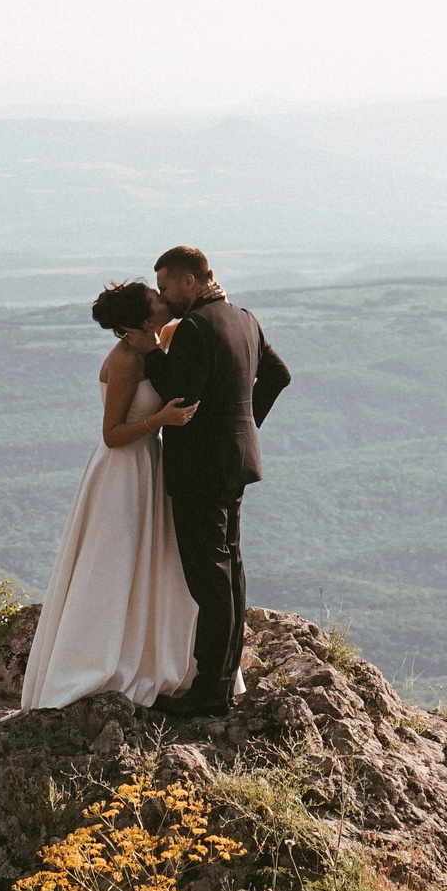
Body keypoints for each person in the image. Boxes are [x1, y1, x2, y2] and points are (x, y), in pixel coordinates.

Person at [18, 280, 212, 710]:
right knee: (113, 567)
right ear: (145, 318)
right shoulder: (125, 360)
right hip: (123, 470)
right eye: (159, 300)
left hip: (150, 466)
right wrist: (159, 419)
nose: (166, 302)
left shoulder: (157, 346)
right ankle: (96, 660)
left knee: (154, 563)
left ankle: (150, 655)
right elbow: (111, 435)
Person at [140, 244, 289, 718]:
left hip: (200, 467)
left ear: (190, 280)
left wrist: (150, 352)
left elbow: (176, 393)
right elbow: (278, 375)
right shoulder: (245, 318)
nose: (165, 297)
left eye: (166, 287)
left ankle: (212, 688)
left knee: (210, 578)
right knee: (231, 568)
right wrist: (241, 426)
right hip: (234, 461)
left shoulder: (195, 329)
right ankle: (224, 679)